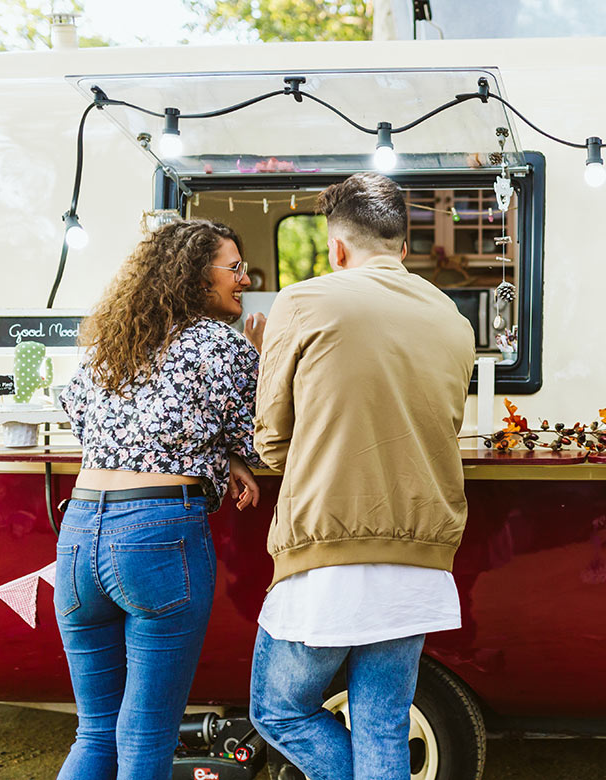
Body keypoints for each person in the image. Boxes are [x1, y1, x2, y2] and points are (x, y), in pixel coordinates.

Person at [249, 172, 476, 780]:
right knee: (382, 725)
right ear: (403, 247)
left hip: (327, 554)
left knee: (279, 711)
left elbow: (271, 441)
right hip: (421, 559)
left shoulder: (303, 302)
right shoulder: (453, 318)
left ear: (337, 248)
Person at [55, 219, 264, 780]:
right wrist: (258, 359)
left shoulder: (110, 345)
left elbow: (87, 423)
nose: (246, 279)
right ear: (197, 277)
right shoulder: (222, 345)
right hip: (157, 534)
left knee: (95, 731)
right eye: (235, 268)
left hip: (78, 535)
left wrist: (216, 453)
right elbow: (261, 440)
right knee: (146, 733)